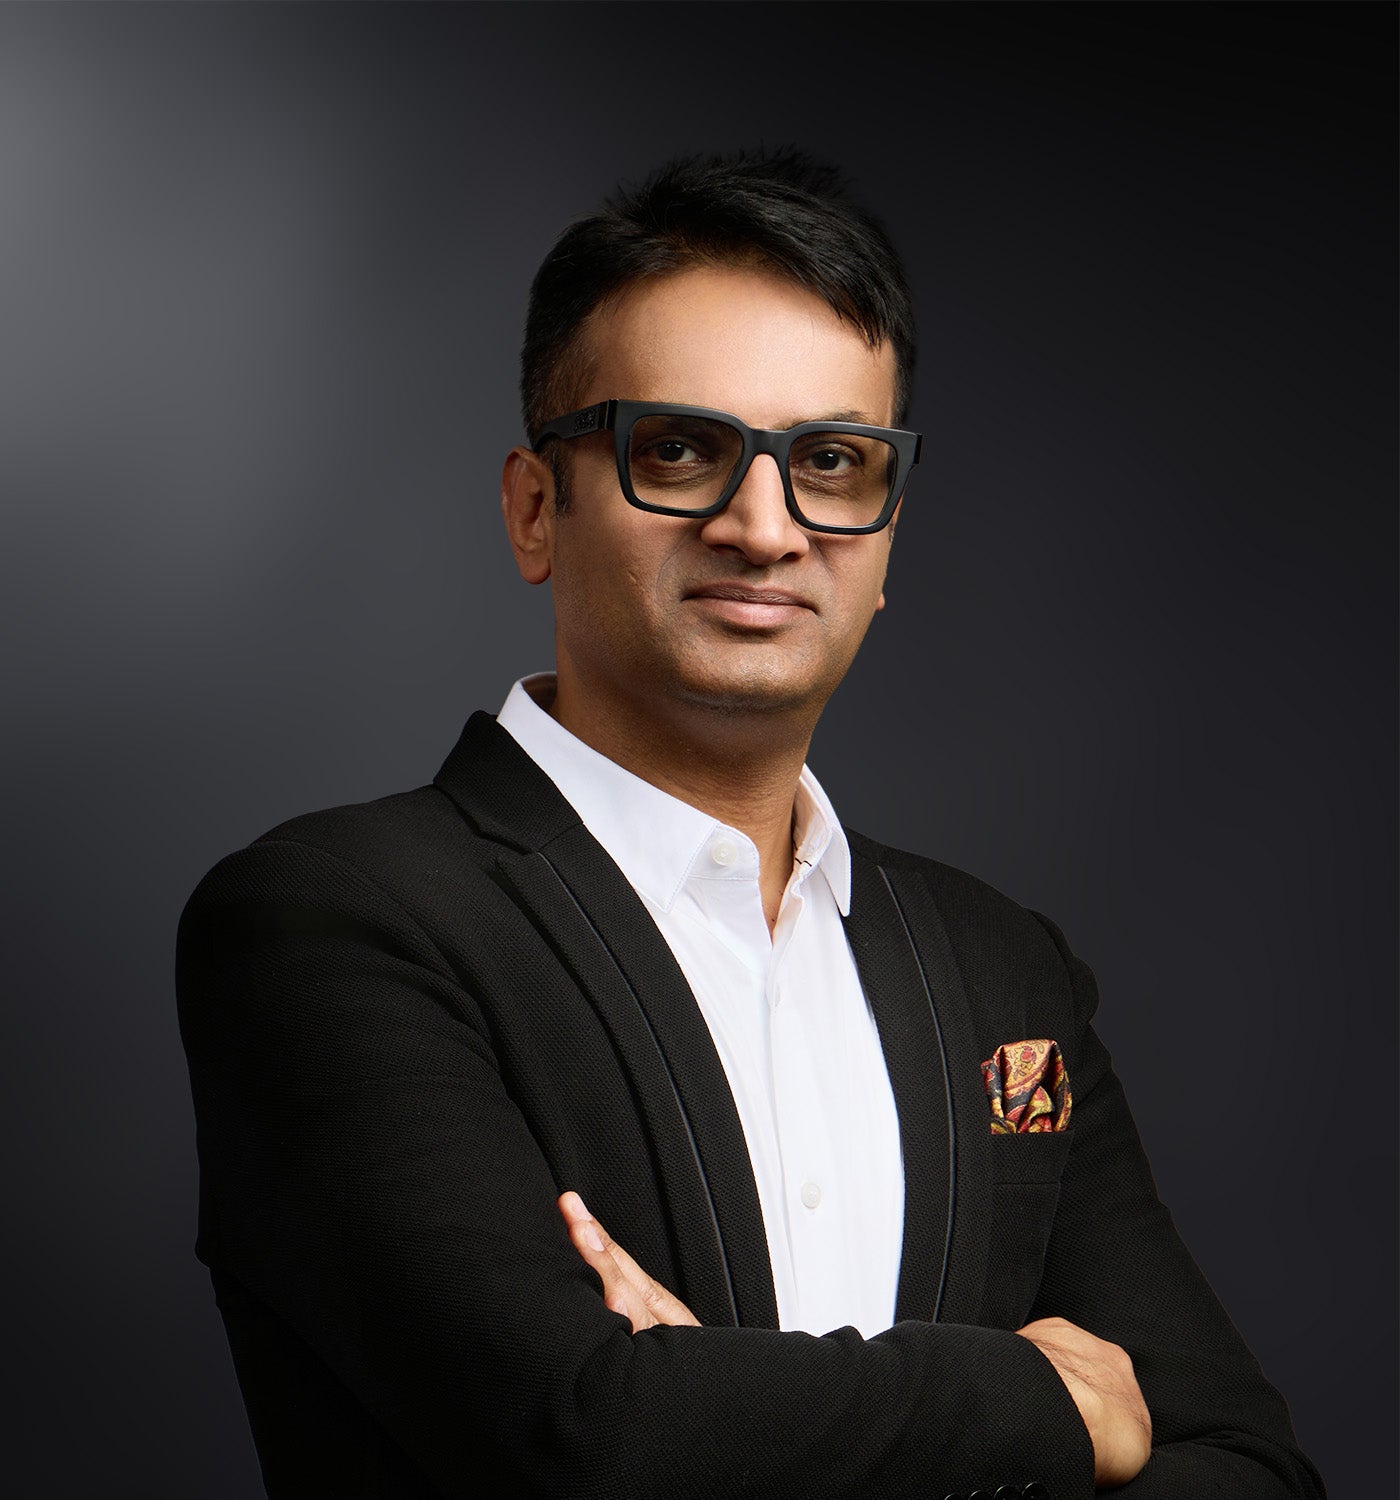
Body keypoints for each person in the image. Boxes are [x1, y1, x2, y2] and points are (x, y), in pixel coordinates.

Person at [176, 149, 1324, 1498]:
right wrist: (1038, 1402)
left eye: (832, 463)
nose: (765, 528)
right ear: (536, 509)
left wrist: (720, 1418)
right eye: (680, 449)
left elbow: (1251, 1473)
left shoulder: (1001, 972)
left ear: (886, 538)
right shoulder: (338, 922)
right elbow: (585, 1441)